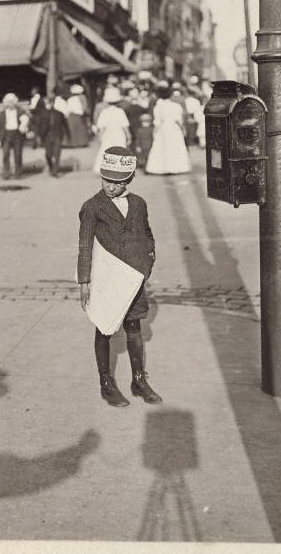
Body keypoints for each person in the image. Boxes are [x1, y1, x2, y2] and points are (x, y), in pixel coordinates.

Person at [78, 146, 162, 407]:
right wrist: (84, 282)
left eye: (117, 182)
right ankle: (106, 382)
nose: (111, 187)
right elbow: (85, 246)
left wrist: (147, 262)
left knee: (134, 327)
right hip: (106, 280)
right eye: (106, 180)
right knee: (104, 327)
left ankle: (139, 380)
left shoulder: (138, 204)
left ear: (129, 180)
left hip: (133, 279)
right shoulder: (92, 207)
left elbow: (147, 235)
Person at [145, 85, 191, 175]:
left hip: (163, 128)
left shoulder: (158, 107)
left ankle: (161, 168)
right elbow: (179, 121)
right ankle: (176, 167)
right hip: (174, 128)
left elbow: (157, 122)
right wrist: (183, 130)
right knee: (175, 147)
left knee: (161, 147)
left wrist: (155, 132)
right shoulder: (176, 106)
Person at [92, 86, 131, 173]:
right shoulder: (120, 111)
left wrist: (100, 136)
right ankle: (120, 168)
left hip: (108, 133)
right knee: (120, 149)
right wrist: (128, 136)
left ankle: (106, 167)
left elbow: (102, 126)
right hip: (119, 133)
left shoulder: (104, 112)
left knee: (106, 148)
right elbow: (125, 126)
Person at [0, 92, 29, 180]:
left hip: (17, 134)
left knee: (18, 154)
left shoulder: (20, 111)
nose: (10, 103)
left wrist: (24, 124)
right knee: (5, 154)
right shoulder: (2, 114)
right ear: (5, 103)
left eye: (12, 101)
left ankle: (18, 173)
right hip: (6, 135)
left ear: (15, 102)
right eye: (8, 102)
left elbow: (27, 120)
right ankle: (6, 173)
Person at [39, 94, 70, 177]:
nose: (49, 105)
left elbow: (65, 125)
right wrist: (41, 137)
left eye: (51, 103)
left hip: (57, 135)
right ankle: (51, 167)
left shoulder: (60, 114)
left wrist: (68, 135)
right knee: (48, 154)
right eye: (48, 103)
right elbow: (40, 126)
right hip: (47, 136)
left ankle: (55, 171)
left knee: (57, 153)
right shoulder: (43, 114)